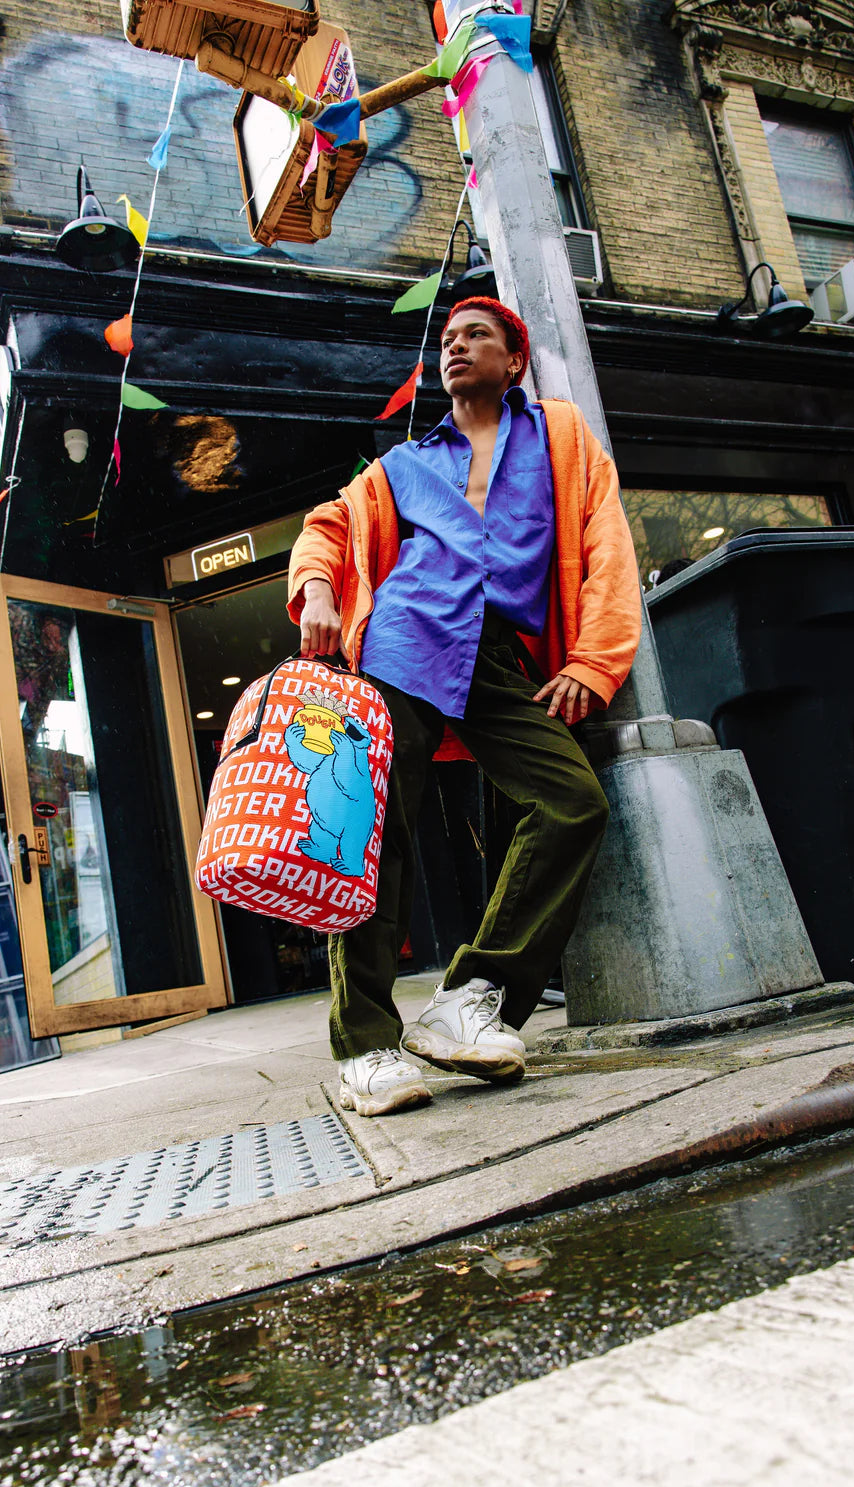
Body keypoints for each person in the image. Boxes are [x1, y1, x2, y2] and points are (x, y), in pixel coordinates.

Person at [287, 297, 641, 1117]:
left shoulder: (557, 436)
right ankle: (366, 1047)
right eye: (447, 340)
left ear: (515, 358)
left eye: (476, 335)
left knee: (571, 803)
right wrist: (314, 590)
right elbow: (327, 529)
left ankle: (470, 998)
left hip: (495, 657)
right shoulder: (407, 462)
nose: (457, 347)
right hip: (402, 642)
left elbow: (607, 543)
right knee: (375, 835)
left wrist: (594, 660)